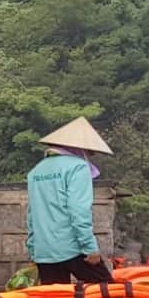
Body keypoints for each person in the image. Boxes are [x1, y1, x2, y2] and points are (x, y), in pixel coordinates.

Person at [26, 117, 115, 284]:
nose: (89, 156)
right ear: (79, 148)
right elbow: (78, 210)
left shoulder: (35, 172)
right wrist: (90, 248)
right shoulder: (77, 167)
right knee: (107, 292)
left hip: (45, 251)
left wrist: (33, 251)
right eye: (89, 152)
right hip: (73, 248)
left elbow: (32, 214)